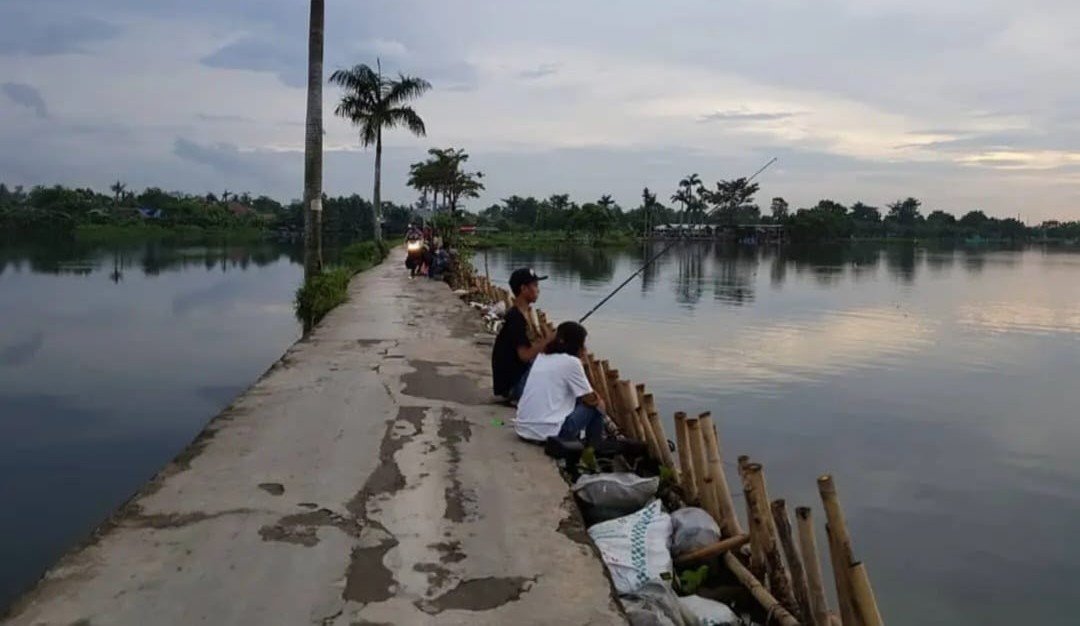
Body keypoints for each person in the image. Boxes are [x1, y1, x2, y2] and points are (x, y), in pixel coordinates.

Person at [514, 321, 606, 446]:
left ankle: (588, 445)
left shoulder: (542, 357)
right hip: (551, 434)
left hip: (523, 428)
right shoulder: (572, 362)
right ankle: (596, 448)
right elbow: (590, 399)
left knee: (579, 398)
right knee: (597, 407)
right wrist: (599, 401)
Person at [491, 268, 550, 400]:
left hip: (515, 381)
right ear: (523, 289)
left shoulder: (521, 314)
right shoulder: (516, 318)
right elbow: (524, 356)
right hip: (514, 387)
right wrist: (548, 340)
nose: (538, 290)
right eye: (535, 286)